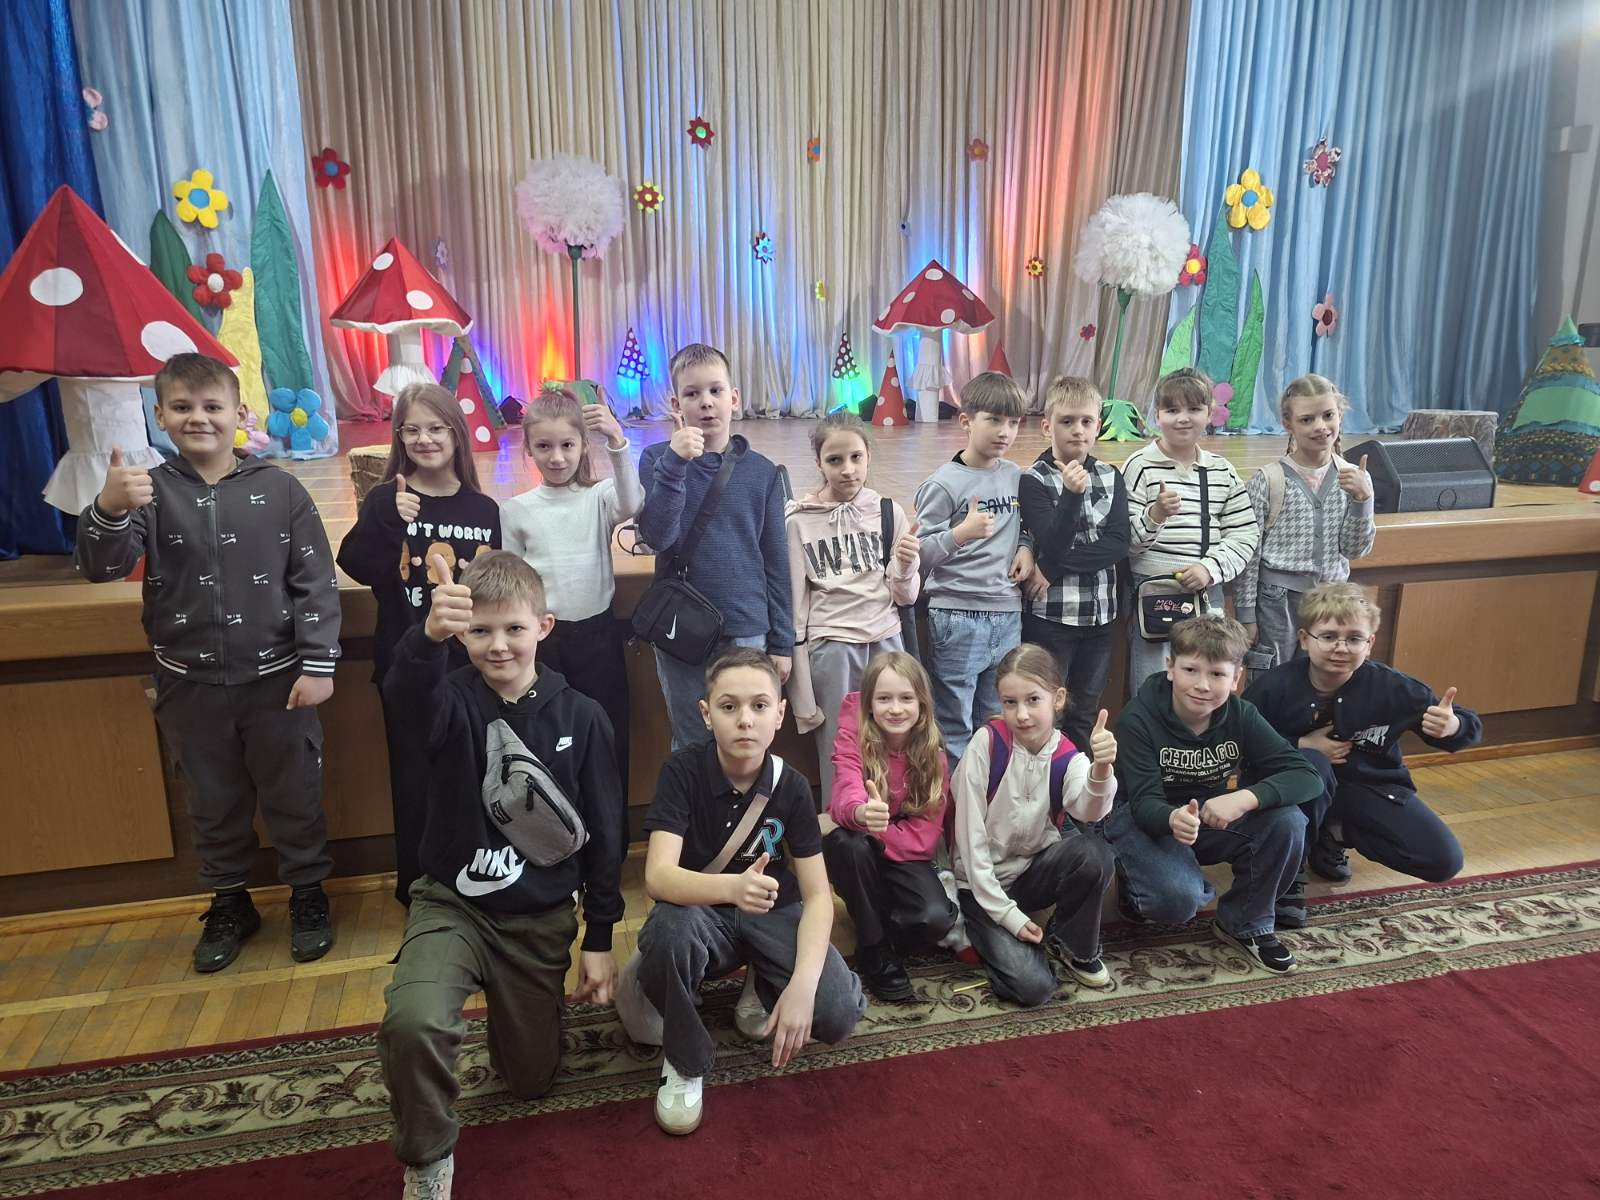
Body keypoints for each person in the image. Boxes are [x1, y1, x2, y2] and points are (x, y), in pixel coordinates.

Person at [75, 352, 340, 971]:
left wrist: (319, 664)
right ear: (160, 414)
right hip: (189, 685)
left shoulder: (281, 489)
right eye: (183, 407)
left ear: (239, 413)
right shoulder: (148, 491)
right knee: (212, 801)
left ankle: (308, 894)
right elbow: (102, 567)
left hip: (278, 681)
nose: (199, 418)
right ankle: (230, 901)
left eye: (212, 406)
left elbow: (315, 583)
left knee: (295, 794)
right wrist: (109, 509)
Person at [376, 551, 624, 1199]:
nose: (498, 645)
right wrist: (427, 637)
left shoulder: (583, 717)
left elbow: (606, 834)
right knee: (414, 1022)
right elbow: (403, 699)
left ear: (544, 626)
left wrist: (599, 935)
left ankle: (514, 1018)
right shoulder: (450, 700)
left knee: (530, 1081)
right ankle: (427, 1158)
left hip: (539, 917)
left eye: (514, 628)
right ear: (463, 635)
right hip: (452, 903)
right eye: (481, 631)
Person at [636, 647, 866, 1136]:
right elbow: (657, 877)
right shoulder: (682, 771)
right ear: (706, 713)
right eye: (729, 706)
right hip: (702, 914)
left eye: (760, 706)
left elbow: (818, 896)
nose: (745, 720)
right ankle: (685, 1059)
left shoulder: (793, 787)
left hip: (771, 913)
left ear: (779, 714)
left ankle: (764, 980)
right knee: (666, 933)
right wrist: (732, 887)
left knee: (836, 1015)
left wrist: (802, 987)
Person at [337, 382, 500, 903]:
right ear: (399, 437)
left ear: (457, 434)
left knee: (473, 776)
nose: (424, 439)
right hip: (406, 669)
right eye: (412, 430)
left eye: (436, 428)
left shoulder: (483, 509)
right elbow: (358, 565)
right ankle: (419, 890)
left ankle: (477, 882)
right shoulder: (387, 500)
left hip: (471, 671)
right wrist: (389, 517)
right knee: (414, 783)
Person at [1243, 583, 1477, 922]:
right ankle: (1287, 877)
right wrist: (1299, 745)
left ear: (1370, 644)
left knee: (1443, 860)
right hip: (1291, 795)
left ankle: (1334, 835)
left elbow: (1462, 723)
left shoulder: (1393, 687)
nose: (1341, 648)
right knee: (1312, 763)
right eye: (1328, 636)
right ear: (1305, 639)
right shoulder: (1273, 686)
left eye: (1354, 638)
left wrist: (1453, 727)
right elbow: (1239, 745)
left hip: (1367, 789)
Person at [1105, 614, 1321, 974]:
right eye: (1191, 670)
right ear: (1170, 667)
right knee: (1178, 902)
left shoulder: (1242, 715)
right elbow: (1143, 804)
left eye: (1218, 674)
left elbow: (1307, 776)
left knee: (1289, 820)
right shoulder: (1137, 719)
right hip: (1143, 818)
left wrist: (1245, 797)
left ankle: (1246, 923)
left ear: (1236, 678)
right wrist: (1172, 818)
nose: (1202, 685)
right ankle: (1134, 886)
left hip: (1207, 814)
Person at [638, 344, 794, 750]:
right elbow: (658, 536)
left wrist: (782, 641)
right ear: (676, 404)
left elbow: (776, 561)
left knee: (748, 741)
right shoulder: (657, 459)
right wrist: (675, 465)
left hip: (746, 627)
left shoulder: (762, 472)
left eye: (715, 391)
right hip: (680, 624)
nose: (706, 402)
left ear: (734, 398)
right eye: (692, 394)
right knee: (691, 741)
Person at [951, 645, 1119, 1007]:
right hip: (979, 885)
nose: (1022, 714)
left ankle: (1072, 944)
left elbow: (1090, 811)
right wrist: (1007, 917)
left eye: (1033, 700)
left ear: (1057, 699)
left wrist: (1102, 769)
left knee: (1095, 853)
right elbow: (970, 843)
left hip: (1030, 873)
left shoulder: (1068, 756)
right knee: (1033, 988)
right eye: (1010, 703)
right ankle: (972, 926)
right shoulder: (986, 745)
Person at [501, 385, 643, 790]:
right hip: (545, 644)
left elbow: (632, 503)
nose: (557, 457)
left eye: (567, 445)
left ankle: (609, 826)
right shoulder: (516, 510)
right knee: (550, 743)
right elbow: (513, 585)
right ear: (529, 449)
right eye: (544, 446)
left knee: (608, 737)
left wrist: (616, 440)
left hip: (599, 638)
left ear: (583, 445)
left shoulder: (598, 496)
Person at [785, 411, 921, 803]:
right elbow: (795, 606)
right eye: (835, 460)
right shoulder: (798, 522)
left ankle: (895, 828)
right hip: (832, 648)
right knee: (839, 750)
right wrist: (801, 692)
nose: (848, 469)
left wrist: (906, 565)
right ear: (819, 463)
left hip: (887, 642)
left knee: (897, 746)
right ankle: (843, 829)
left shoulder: (888, 511)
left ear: (868, 457)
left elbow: (906, 596)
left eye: (856, 457)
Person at [913, 371, 1035, 761]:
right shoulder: (943, 483)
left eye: (1013, 422)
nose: (1005, 431)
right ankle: (956, 799)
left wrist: (1026, 547)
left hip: (1007, 613)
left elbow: (1028, 526)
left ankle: (990, 794)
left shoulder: (1015, 476)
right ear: (966, 421)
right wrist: (960, 534)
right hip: (957, 614)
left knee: (999, 721)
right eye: (994, 420)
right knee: (954, 725)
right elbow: (918, 554)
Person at [823, 651, 956, 1001]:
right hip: (859, 836)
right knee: (847, 844)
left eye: (906, 698)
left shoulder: (935, 755)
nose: (895, 709)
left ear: (922, 704)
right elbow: (845, 786)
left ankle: (880, 917)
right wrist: (861, 814)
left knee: (936, 919)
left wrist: (880, 833)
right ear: (869, 704)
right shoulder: (854, 734)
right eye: (884, 699)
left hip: (902, 846)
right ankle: (874, 948)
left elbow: (924, 838)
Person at [1121, 368, 1260, 689]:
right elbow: (1126, 542)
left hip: (1206, 591)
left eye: (1194, 409)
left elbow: (1245, 533)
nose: (1183, 418)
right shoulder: (1138, 467)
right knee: (1152, 685)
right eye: (1172, 410)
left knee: (1205, 685)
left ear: (1210, 413)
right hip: (1153, 591)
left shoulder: (1222, 470)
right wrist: (1155, 515)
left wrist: (1209, 568)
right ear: (1157, 415)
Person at [1017, 376, 1131, 751]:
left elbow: (1117, 544)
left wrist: (1051, 568)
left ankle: (1077, 785)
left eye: (1086, 421)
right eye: (1067, 421)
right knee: (1048, 712)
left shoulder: (1111, 476)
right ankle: (1044, 782)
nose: (1077, 430)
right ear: (1047, 426)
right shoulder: (1033, 480)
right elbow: (1052, 541)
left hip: (1100, 619)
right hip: (1052, 619)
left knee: (1084, 713)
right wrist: (1070, 494)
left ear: (1098, 426)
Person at [1234, 375, 1377, 669]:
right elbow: (1250, 553)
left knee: (1322, 679)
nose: (1320, 426)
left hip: (1332, 599)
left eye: (1328, 415)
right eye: (1307, 419)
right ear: (1288, 424)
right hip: (1277, 601)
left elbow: (1354, 550)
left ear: (1340, 415)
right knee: (1273, 677)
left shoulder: (1355, 477)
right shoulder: (1268, 480)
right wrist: (1246, 615)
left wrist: (1362, 499)